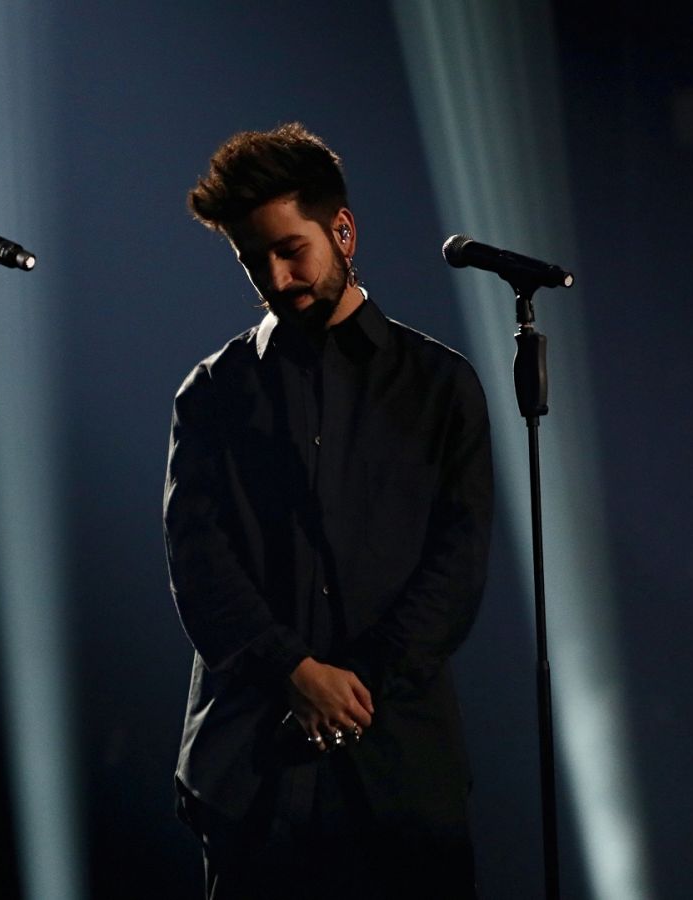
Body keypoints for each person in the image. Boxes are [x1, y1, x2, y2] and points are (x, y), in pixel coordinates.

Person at [163, 122, 494, 898]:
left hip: (400, 773)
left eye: (290, 250)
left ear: (342, 231)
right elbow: (198, 565)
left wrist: (356, 683)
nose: (277, 278)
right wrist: (294, 672)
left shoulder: (440, 386)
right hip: (253, 775)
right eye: (254, 261)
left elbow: (459, 563)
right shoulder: (212, 394)